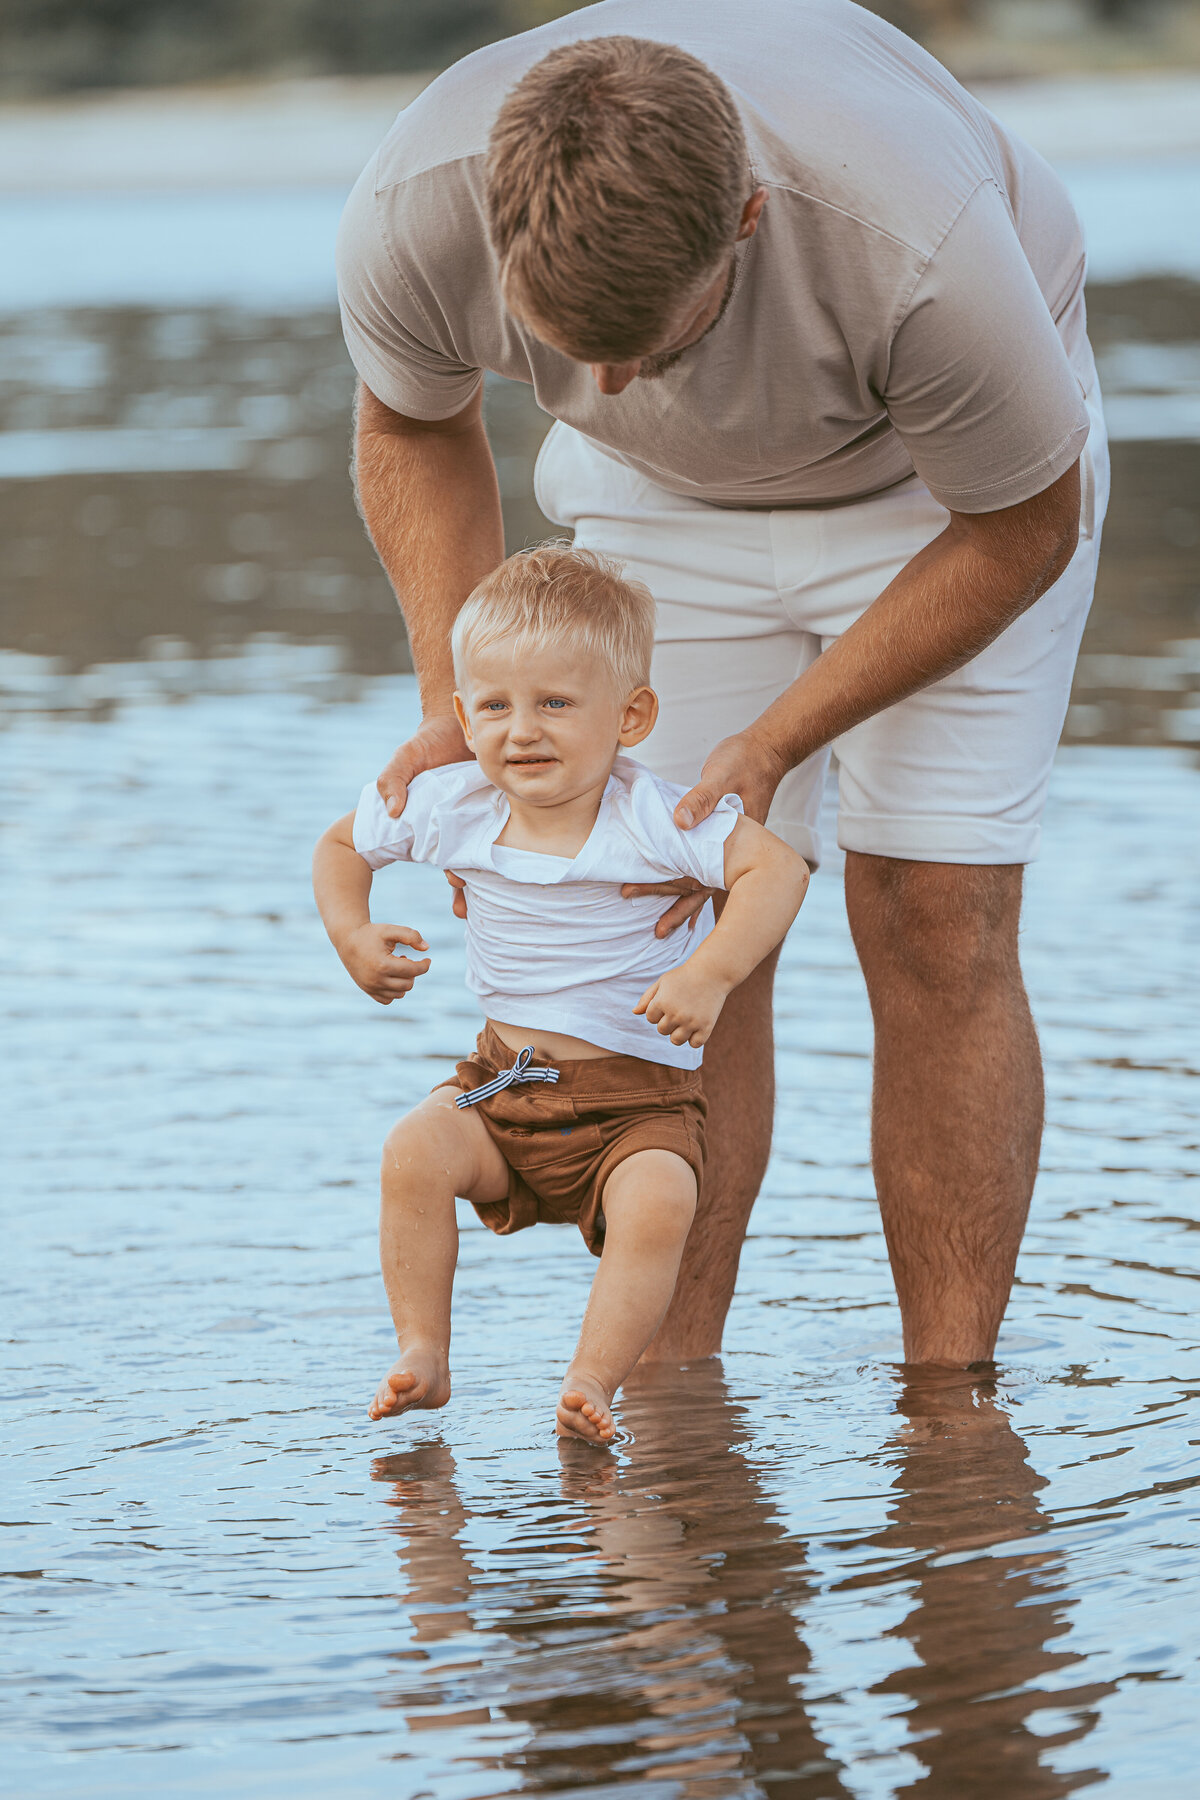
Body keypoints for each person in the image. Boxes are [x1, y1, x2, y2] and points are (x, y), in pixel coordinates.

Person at [335, 0, 1110, 1368]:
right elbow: (413, 421)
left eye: (648, 337)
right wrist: (452, 711)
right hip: (658, 510)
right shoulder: (418, 198)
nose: (611, 379)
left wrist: (777, 740)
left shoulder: (915, 247)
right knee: (667, 916)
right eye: (570, 341)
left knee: (932, 912)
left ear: (745, 219)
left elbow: (1025, 528)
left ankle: (952, 1417)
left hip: (940, 497)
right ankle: (672, 1410)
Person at [312, 545, 808, 1439]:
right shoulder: (451, 802)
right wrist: (352, 931)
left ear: (632, 715)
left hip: (637, 1108)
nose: (521, 731)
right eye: (495, 706)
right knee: (411, 1153)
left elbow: (773, 869)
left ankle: (592, 1382)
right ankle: (423, 1352)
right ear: (462, 714)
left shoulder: (652, 817)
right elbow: (342, 847)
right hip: (505, 1086)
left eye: (555, 703)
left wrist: (711, 971)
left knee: (661, 1200)